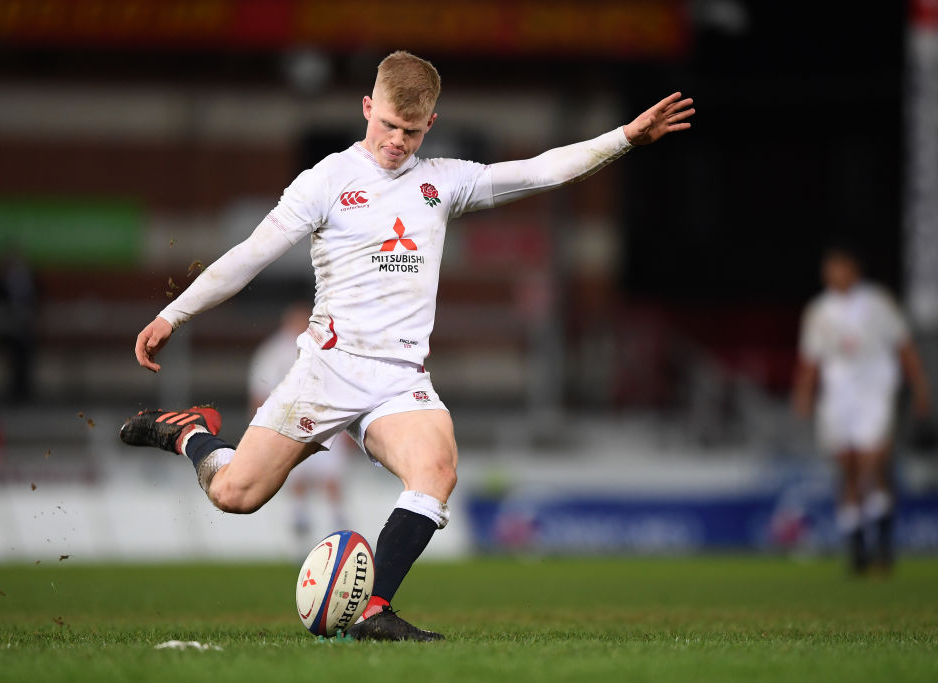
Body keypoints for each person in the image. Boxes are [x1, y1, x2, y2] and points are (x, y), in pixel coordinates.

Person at [121, 51, 694, 640]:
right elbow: (251, 254)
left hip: (398, 379)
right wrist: (174, 312)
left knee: (436, 470)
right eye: (388, 125)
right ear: (367, 108)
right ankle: (190, 432)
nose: (397, 141)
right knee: (235, 494)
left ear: (430, 126)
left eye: (412, 131)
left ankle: (373, 611)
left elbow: (540, 170)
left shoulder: (441, 182)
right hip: (327, 369)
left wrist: (626, 137)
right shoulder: (326, 181)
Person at [793, 245, 932, 574]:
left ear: (854, 270)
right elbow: (811, 359)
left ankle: (882, 540)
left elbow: (904, 346)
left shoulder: (878, 303)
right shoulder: (819, 311)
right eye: (830, 269)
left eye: (839, 268)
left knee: (873, 462)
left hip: (875, 392)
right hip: (839, 397)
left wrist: (921, 387)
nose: (834, 275)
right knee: (848, 469)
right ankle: (857, 547)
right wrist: (803, 393)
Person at [248, 302, 350, 547]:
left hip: (324, 421)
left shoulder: (323, 346)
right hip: (289, 425)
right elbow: (260, 391)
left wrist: (347, 428)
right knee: (297, 477)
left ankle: (340, 528)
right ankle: (300, 529)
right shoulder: (275, 351)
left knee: (331, 477)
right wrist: (260, 430)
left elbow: (342, 388)